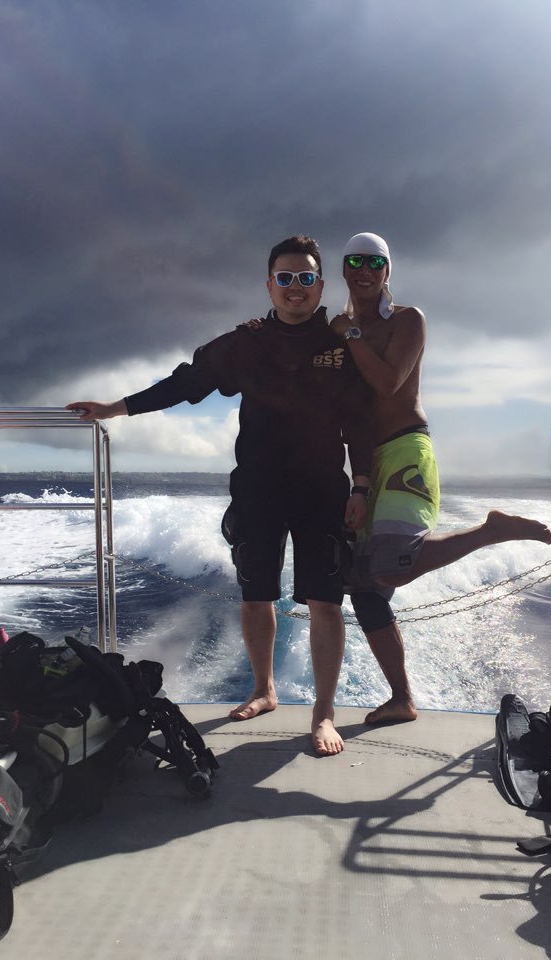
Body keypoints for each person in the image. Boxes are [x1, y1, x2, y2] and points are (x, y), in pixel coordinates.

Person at [67, 235, 373, 756]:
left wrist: (362, 484)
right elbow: (185, 384)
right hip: (258, 488)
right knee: (256, 595)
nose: (295, 287)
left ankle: (323, 713)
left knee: (326, 602)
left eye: (305, 278)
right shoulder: (245, 343)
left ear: (320, 286)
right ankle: (264, 690)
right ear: (269, 285)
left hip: (323, 490)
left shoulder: (342, 343)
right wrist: (116, 408)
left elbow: (361, 421)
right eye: (285, 278)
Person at [329, 232, 551, 725]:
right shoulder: (340, 331)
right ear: (343, 269)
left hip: (406, 448)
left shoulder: (407, 320)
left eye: (375, 263)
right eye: (355, 261)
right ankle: (402, 698)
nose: (364, 270)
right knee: (365, 590)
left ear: (387, 271)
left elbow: (388, 382)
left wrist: (350, 333)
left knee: (392, 568)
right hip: (366, 462)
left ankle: (490, 531)